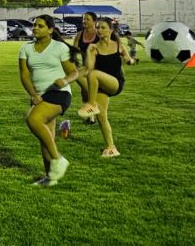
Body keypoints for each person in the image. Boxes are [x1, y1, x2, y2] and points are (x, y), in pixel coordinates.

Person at [20, 15, 79, 186]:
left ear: (50, 30)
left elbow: (74, 72)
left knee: (33, 119)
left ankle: (58, 158)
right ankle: (50, 177)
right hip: (40, 96)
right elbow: (24, 75)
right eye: (34, 25)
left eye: (40, 26)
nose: (35, 28)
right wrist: (33, 94)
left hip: (59, 93)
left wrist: (65, 80)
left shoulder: (59, 47)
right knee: (46, 138)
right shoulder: (26, 48)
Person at [78, 17, 133, 157]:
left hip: (115, 83)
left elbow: (128, 59)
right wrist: (89, 52)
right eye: (97, 27)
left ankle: (90, 104)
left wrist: (129, 60)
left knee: (94, 74)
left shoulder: (118, 45)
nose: (99, 30)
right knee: (101, 117)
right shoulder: (94, 48)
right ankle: (111, 148)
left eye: (103, 27)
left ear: (111, 30)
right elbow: (89, 69)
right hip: (100, 85)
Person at [71, 12, 98, 123]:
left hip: (98, 68)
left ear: (94, 21)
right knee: (84, 91)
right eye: (84, 19)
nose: (84, 21)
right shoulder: (79, 35)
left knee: (91, 91)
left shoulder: (99, 34)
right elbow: (73, 50)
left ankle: (92, 116)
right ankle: (90, 116)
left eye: (87, 19)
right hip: (85, 68)